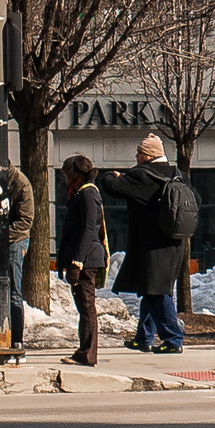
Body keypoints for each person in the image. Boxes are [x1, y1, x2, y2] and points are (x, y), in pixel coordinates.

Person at [103, 134, 189, 355]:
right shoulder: (178, 174)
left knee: (156, 293)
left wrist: (110, 176)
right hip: (175, 242)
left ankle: (173, 339)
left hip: (151, 246)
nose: (136, 156)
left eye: (139, 152)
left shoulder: (141, 175)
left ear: (148, 155)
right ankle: (144, 338)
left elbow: (112, 187)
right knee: (151, 289)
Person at [55, 155, 108, 367]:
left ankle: (88, 353)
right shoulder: (79, 192)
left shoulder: (88, 193)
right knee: (83, 306)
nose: (64, 176)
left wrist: (77, 262)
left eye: (67, 172)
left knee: (87, 306)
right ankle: (84, 350)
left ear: (76, 172)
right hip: (81, 258)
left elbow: (88, 230)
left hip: (87, 260)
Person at [0, 160, 35, 343]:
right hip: (0, 240)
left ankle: (17, 339)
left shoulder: (21, 184)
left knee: (14, 292)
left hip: (15, 241)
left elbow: (25, 221)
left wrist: (1, 236)